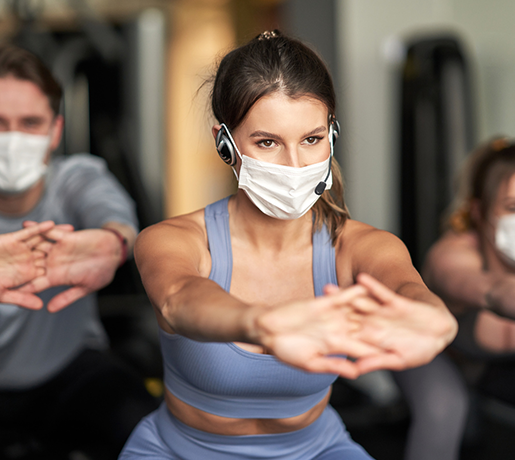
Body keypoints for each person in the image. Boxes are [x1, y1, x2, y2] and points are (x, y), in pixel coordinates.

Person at [119, 30, 457, 460]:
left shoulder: (358, 247)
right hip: (178, 450)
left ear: (331, 136)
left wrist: (435, 321)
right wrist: (266, 324)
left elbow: (411, 293)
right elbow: (178, 299)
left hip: (316, 451)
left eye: (312, 139)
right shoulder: (174, 239)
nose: (295, 166)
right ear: (225, 144)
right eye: (267, 142)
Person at [0, 44, 158, 459]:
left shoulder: (75, 178)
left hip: (69, 372)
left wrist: (113, 243)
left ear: (55, 131)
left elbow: (115, 214)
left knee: (146, 429)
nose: (12, 139)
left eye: (29, 123)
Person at [423, 136, 515, 407]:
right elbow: (494, 291)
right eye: (512, 207)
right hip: (447, 365)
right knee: (442, 407)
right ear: (479, 210)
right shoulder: (450, 256)